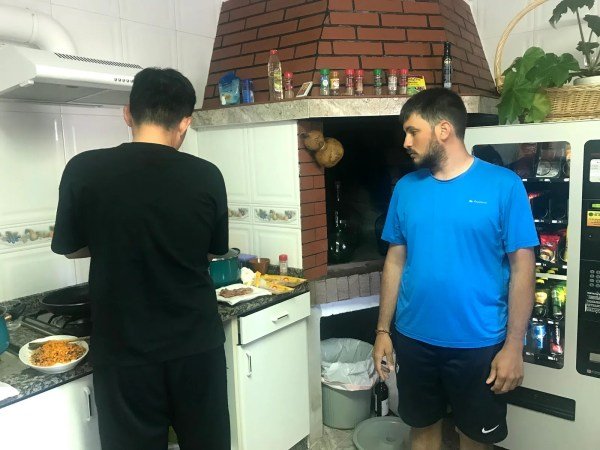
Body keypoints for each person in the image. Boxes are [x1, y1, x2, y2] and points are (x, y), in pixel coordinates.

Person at [51, 68, 230, 450]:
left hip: (123, 351)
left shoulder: (83, 169)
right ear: (185, 122)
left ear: (128, 114)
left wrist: (115, 240)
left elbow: (70, 247)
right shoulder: (207, 175)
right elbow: (214, 250)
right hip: (196, 346)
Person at [373, 88, 538, 450]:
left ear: (444, 130)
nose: (405, 142)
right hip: (414, 340)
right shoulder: (406, 189)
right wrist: (383, 330)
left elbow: (523, 270)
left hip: (480, 344)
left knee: (474, 440)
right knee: (422, 432)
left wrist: (514, 346)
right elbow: (395, 260)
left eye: (413, 131)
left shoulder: (503, 185)